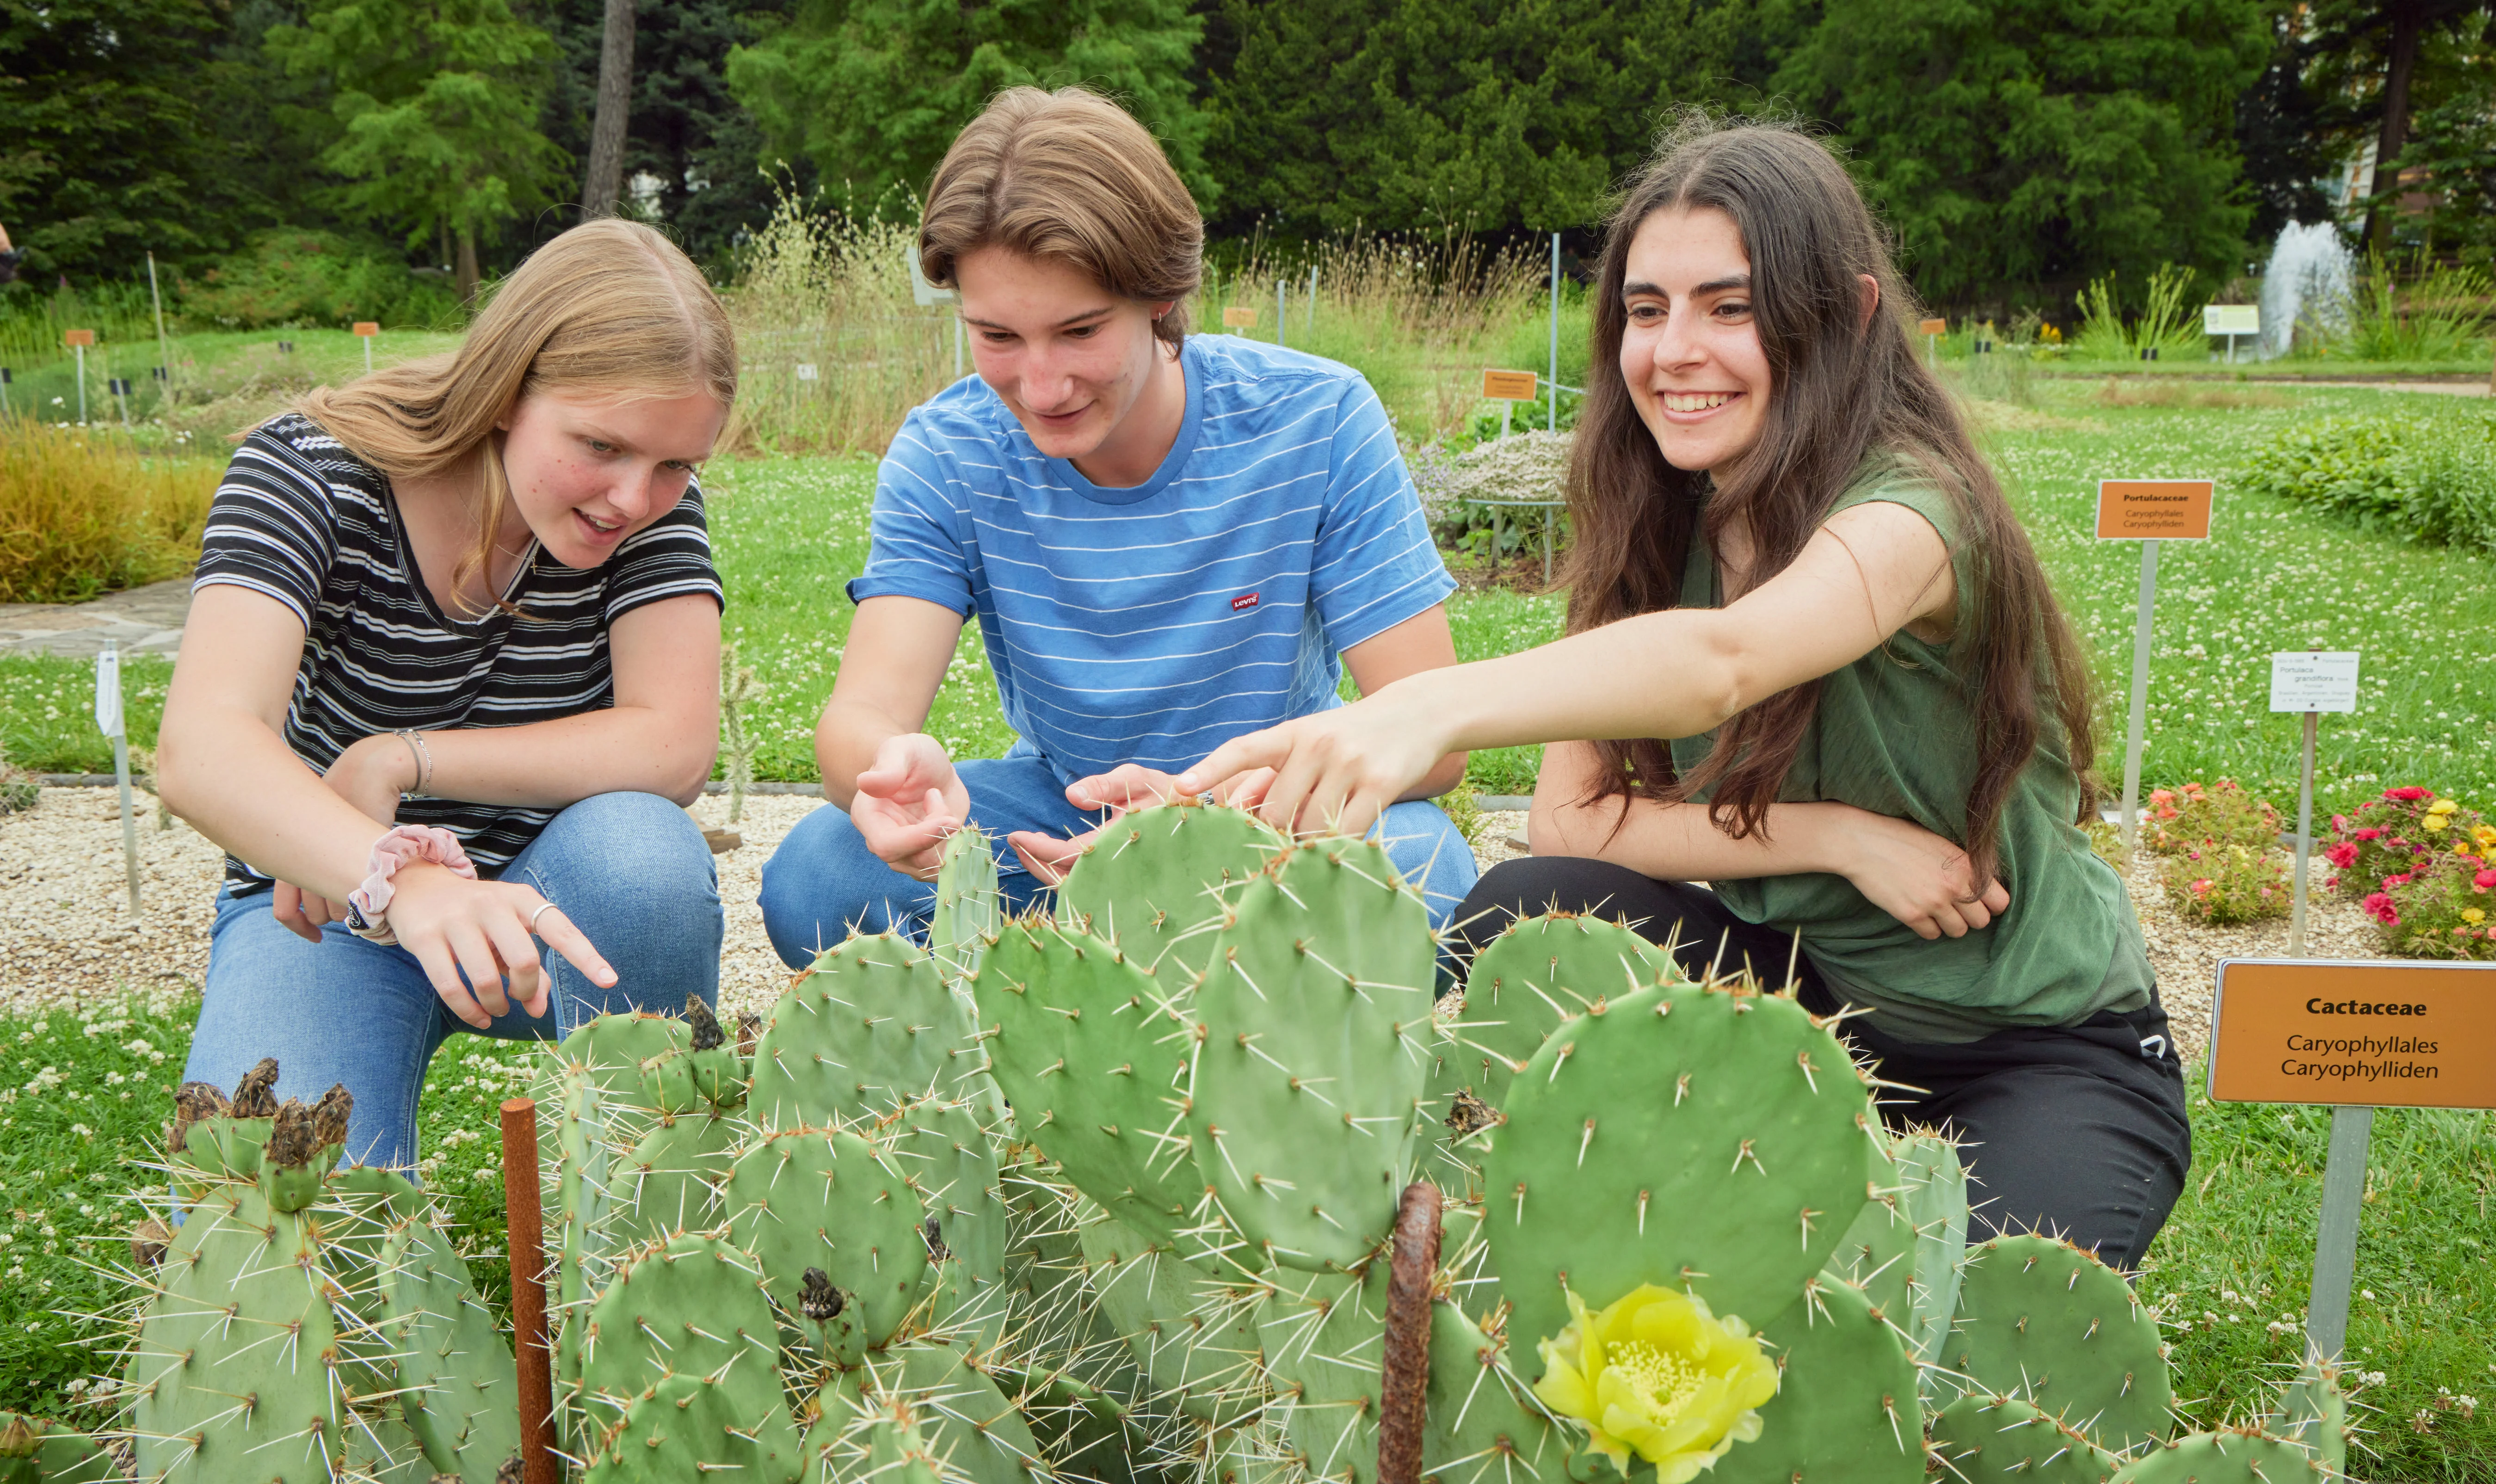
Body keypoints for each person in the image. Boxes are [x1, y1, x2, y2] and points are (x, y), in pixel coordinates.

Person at [1180, 117, 2188, 1269]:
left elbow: (1728, 658)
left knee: (1950, 1363)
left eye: (1730, 307)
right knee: (1535, 897)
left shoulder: (1913, 512)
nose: (1672, 352)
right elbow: (1575, 819)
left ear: (1849, 314)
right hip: (1817, 1008)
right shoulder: (1656, 515)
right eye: (1645, 312)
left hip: (2035, 1047)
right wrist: (1844, 839)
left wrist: (1428, 706)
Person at [757, 87, 1478, 966]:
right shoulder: (946, 451)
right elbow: (861, 719)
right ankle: (1133, 983)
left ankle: (1080, 973)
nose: (1042, 384)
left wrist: (1193, 827)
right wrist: (891, 771)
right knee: (818, 879)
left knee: (1424, 868)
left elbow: (1432, 740)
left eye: (1081, 331)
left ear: (1161, 297)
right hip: (1063, 818)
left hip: (1276, 814)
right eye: (997, 336)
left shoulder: (1318, 418)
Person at [160, 220, 733, 1171]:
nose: (635, 500)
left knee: (649, 860)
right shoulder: (311, 470)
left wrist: (401, 755)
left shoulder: (644, 513)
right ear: (508, 391)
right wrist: (398, 880)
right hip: (326, 900)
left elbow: (672, 744)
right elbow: (203, 743)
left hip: (561, 897)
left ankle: (651, 1226)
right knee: (279, 1253)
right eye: (600, 445)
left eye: (676, 464)